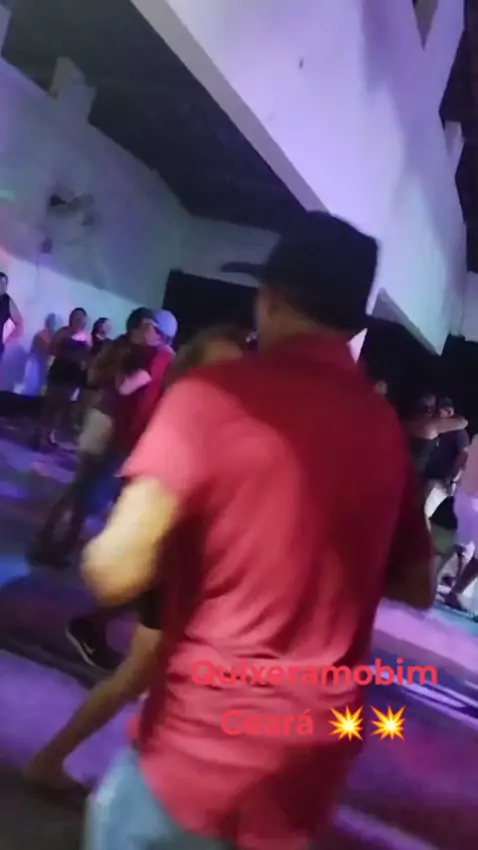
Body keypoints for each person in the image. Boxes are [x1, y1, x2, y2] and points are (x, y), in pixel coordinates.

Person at [81, 211, 433, 850]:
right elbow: (418, 586)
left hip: (199, 747)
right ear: (353, 326)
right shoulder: (384, 430)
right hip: (310, 758)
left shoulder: (215, 395)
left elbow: (114, 572)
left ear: (268, 298)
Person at [26, 325, 248, 794]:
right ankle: (87, 771)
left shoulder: (215, 421)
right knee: (150, 679)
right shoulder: (187, 422)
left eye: (237, 369)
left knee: (148, 678)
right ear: (192, 371)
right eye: (220, 368)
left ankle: (71, 763)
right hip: (176, 562)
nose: (230, 377)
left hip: (192, 567)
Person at [67, 324, 247, 670]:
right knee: (158, 582)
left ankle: (100, 632)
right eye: (219, 364)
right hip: (165, 501)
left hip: (183, 506)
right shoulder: (184, 401)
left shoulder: (210, 402)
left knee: (161, 583)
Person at [29, 308, 164, 569]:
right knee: (81, 488)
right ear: (137, 328)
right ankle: (49, 541)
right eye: (150, 327)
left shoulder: (140, 352)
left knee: (84, 489)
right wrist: (119, 364)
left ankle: (60, 544)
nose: (154, 333)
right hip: (103, 420)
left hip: (111, 422)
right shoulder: (123, 349)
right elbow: (98, 377)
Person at [36, 307, 90, 450]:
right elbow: (52, 352)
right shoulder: (62, 333)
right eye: (77, 318)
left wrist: (83, 366)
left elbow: (86, 357)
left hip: (72, 379)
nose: (80, 322)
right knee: (49, 406)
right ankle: (41, 435)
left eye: (82, 320)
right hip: (58, 375)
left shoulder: (85, 338)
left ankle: (51, 435)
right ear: (71, 319)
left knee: (62, 407)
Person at [406, 394, 468, 519]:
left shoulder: (459, 432)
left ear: (449, 413)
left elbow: (464, 455)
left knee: (422, 513)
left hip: (442, 480)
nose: (434, 414)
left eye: (439, 411)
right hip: (426, 476)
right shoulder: (431, 426)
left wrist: (453, 478)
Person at [437, 433, 478, 615]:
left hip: (463, 495)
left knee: (463, 544)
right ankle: (456, 591)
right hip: (475, 501)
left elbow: (463, 457)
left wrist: (454, 478)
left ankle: (441, 580)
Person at [0, 271, 24, 363]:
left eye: (4, 284)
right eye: (0, 283)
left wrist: (11, 338)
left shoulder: (7, 301)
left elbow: (19, 321)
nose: (2, 286)